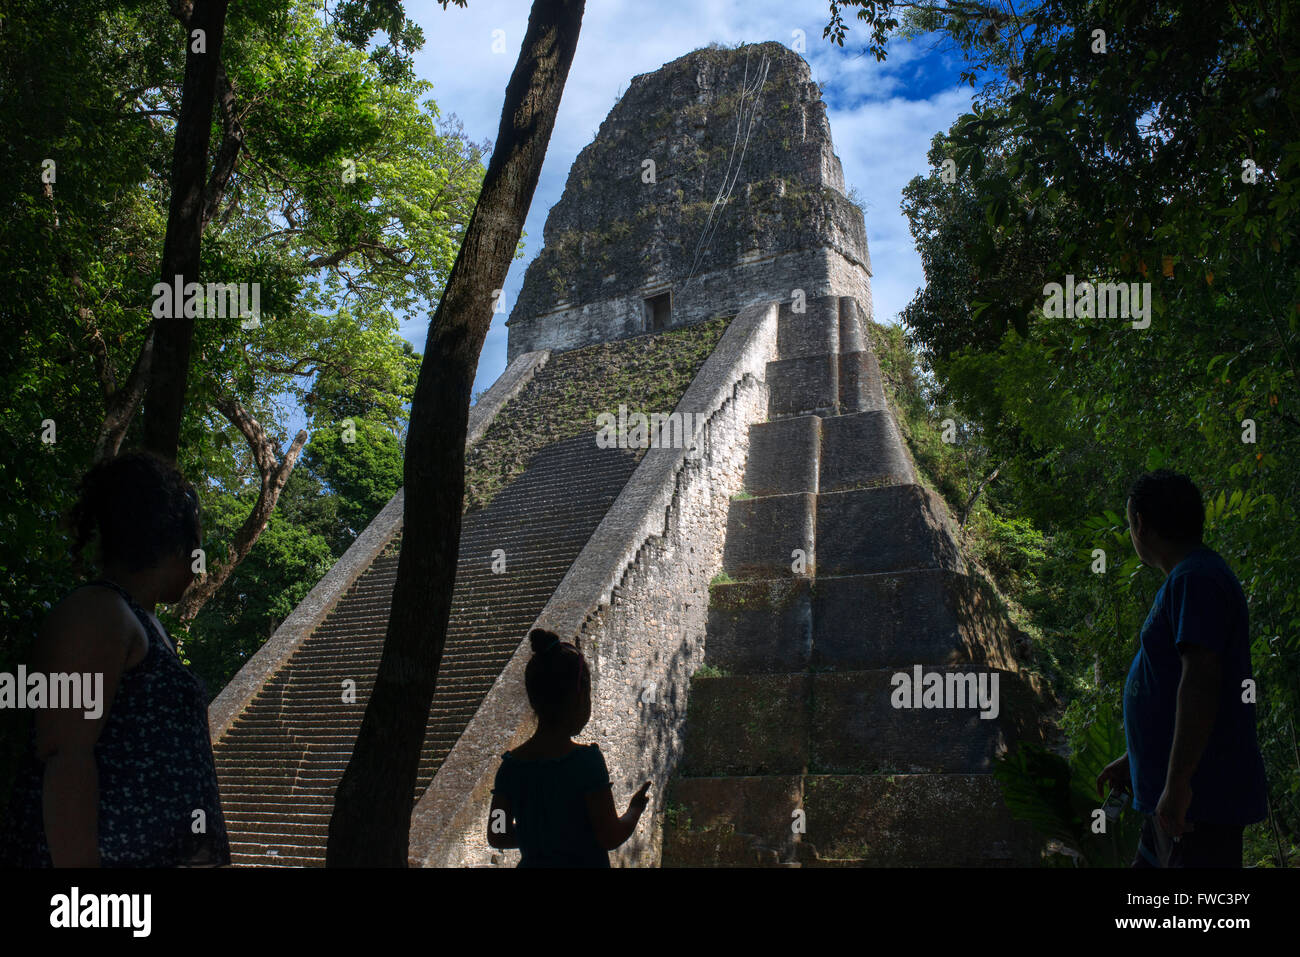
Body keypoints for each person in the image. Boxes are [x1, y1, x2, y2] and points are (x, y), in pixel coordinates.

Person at [0, 450, 230, 867]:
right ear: (174, 543)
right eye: (197, 546)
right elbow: (64, 753)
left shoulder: (142, 623)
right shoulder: (96, 613)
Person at [1096, 469, 1268, 868]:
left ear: (1140, 523)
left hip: (1197, 803)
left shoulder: (1197, 578)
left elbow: (1201, 681)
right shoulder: (1189, 578)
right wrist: (1134, 758)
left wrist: (1178, 784)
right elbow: (1176, 684)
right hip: (1175, 799)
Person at [487, 629, 650, 867]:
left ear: (534, 698)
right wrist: (634, 810)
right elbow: (610, 835)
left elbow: (497, 832)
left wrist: (537, 836)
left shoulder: (510, 769)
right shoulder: (586, 763)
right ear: (580, 696)